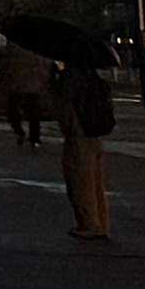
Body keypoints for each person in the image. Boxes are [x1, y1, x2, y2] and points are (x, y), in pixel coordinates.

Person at [57, 31, 117, 239]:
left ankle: (89, 223)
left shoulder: (72, 78)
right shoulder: (92, 77)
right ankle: (100, 221)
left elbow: (65, 107)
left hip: (78, 133)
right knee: (95, 180)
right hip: (93, 133)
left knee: (80, 180)